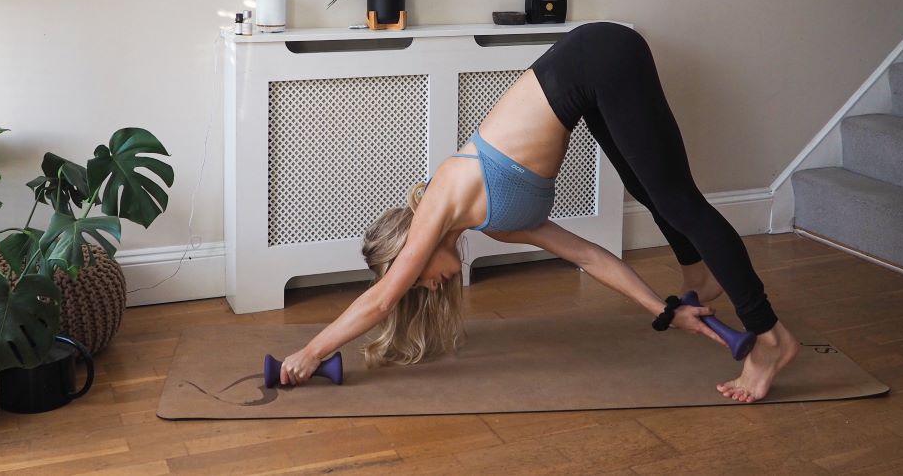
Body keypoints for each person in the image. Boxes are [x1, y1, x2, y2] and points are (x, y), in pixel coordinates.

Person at [279, 22, 799, 403]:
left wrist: (311, 351)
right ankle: (699, 278)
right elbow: (590, 257)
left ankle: (770, 338)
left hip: (600, 54)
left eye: (417, 279)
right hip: (590, 73)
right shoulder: (498, 225)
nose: (430, 284)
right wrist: (662, 310)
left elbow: (377, 303)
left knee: (678, 200)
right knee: (650, 190)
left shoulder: (439, 200)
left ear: (408, 250)